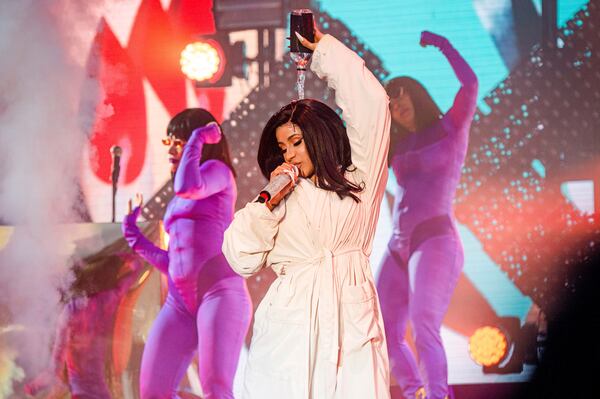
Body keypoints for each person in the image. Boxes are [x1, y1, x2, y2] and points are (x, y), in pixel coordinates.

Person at [222, 26, 391, 399]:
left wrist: (325, 52)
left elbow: (373, 107)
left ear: (320, 138)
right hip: (289, 335)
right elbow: (240, 257)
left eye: (296, 143)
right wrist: (267, 200)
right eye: (282, 149)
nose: (290, 155)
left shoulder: (358, 181)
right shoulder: (277, 200)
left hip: (352, 328)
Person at [122, 108, 252, 399]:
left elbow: (188, 184)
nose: (170, 149)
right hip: (179, 304)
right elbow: (174, 263)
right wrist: (133, 234)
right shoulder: (179, 200)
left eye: (177, 141)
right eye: (168, 141)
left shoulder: (218, 172)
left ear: (202, 140)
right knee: (153, 393)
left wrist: (196, 138)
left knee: (216, 391)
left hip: (220, 296)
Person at [376, 31, 478, 399]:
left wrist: (443, 45)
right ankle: (416, 392)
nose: (396, 104)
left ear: (414, 93)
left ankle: (438, 395)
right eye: (389, 102)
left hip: (435, 240)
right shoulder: (396, 144)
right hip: (398, 246)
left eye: (399, 94)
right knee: (382, 331)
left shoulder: (451, 127)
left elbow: (470, 83)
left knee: (423, 325)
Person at [24, 250, 147, 399]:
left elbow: (54, 368)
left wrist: (34, 386)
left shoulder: (71, 310)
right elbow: (136, 269)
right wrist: (123, 256)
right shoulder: (107, 300)